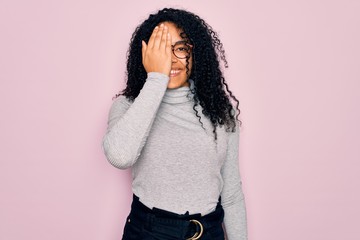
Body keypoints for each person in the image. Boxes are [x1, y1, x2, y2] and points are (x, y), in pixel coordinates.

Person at [102, 8, 247, 240]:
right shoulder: (128, 106)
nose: (170, 59)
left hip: (209, 231)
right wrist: (156, 78)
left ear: (195, 52)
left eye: (180, 48)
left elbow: (231, 194)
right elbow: (120, 156)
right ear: (146, 55)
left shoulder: (220, 110)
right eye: (160, 50)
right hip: (149, 231)